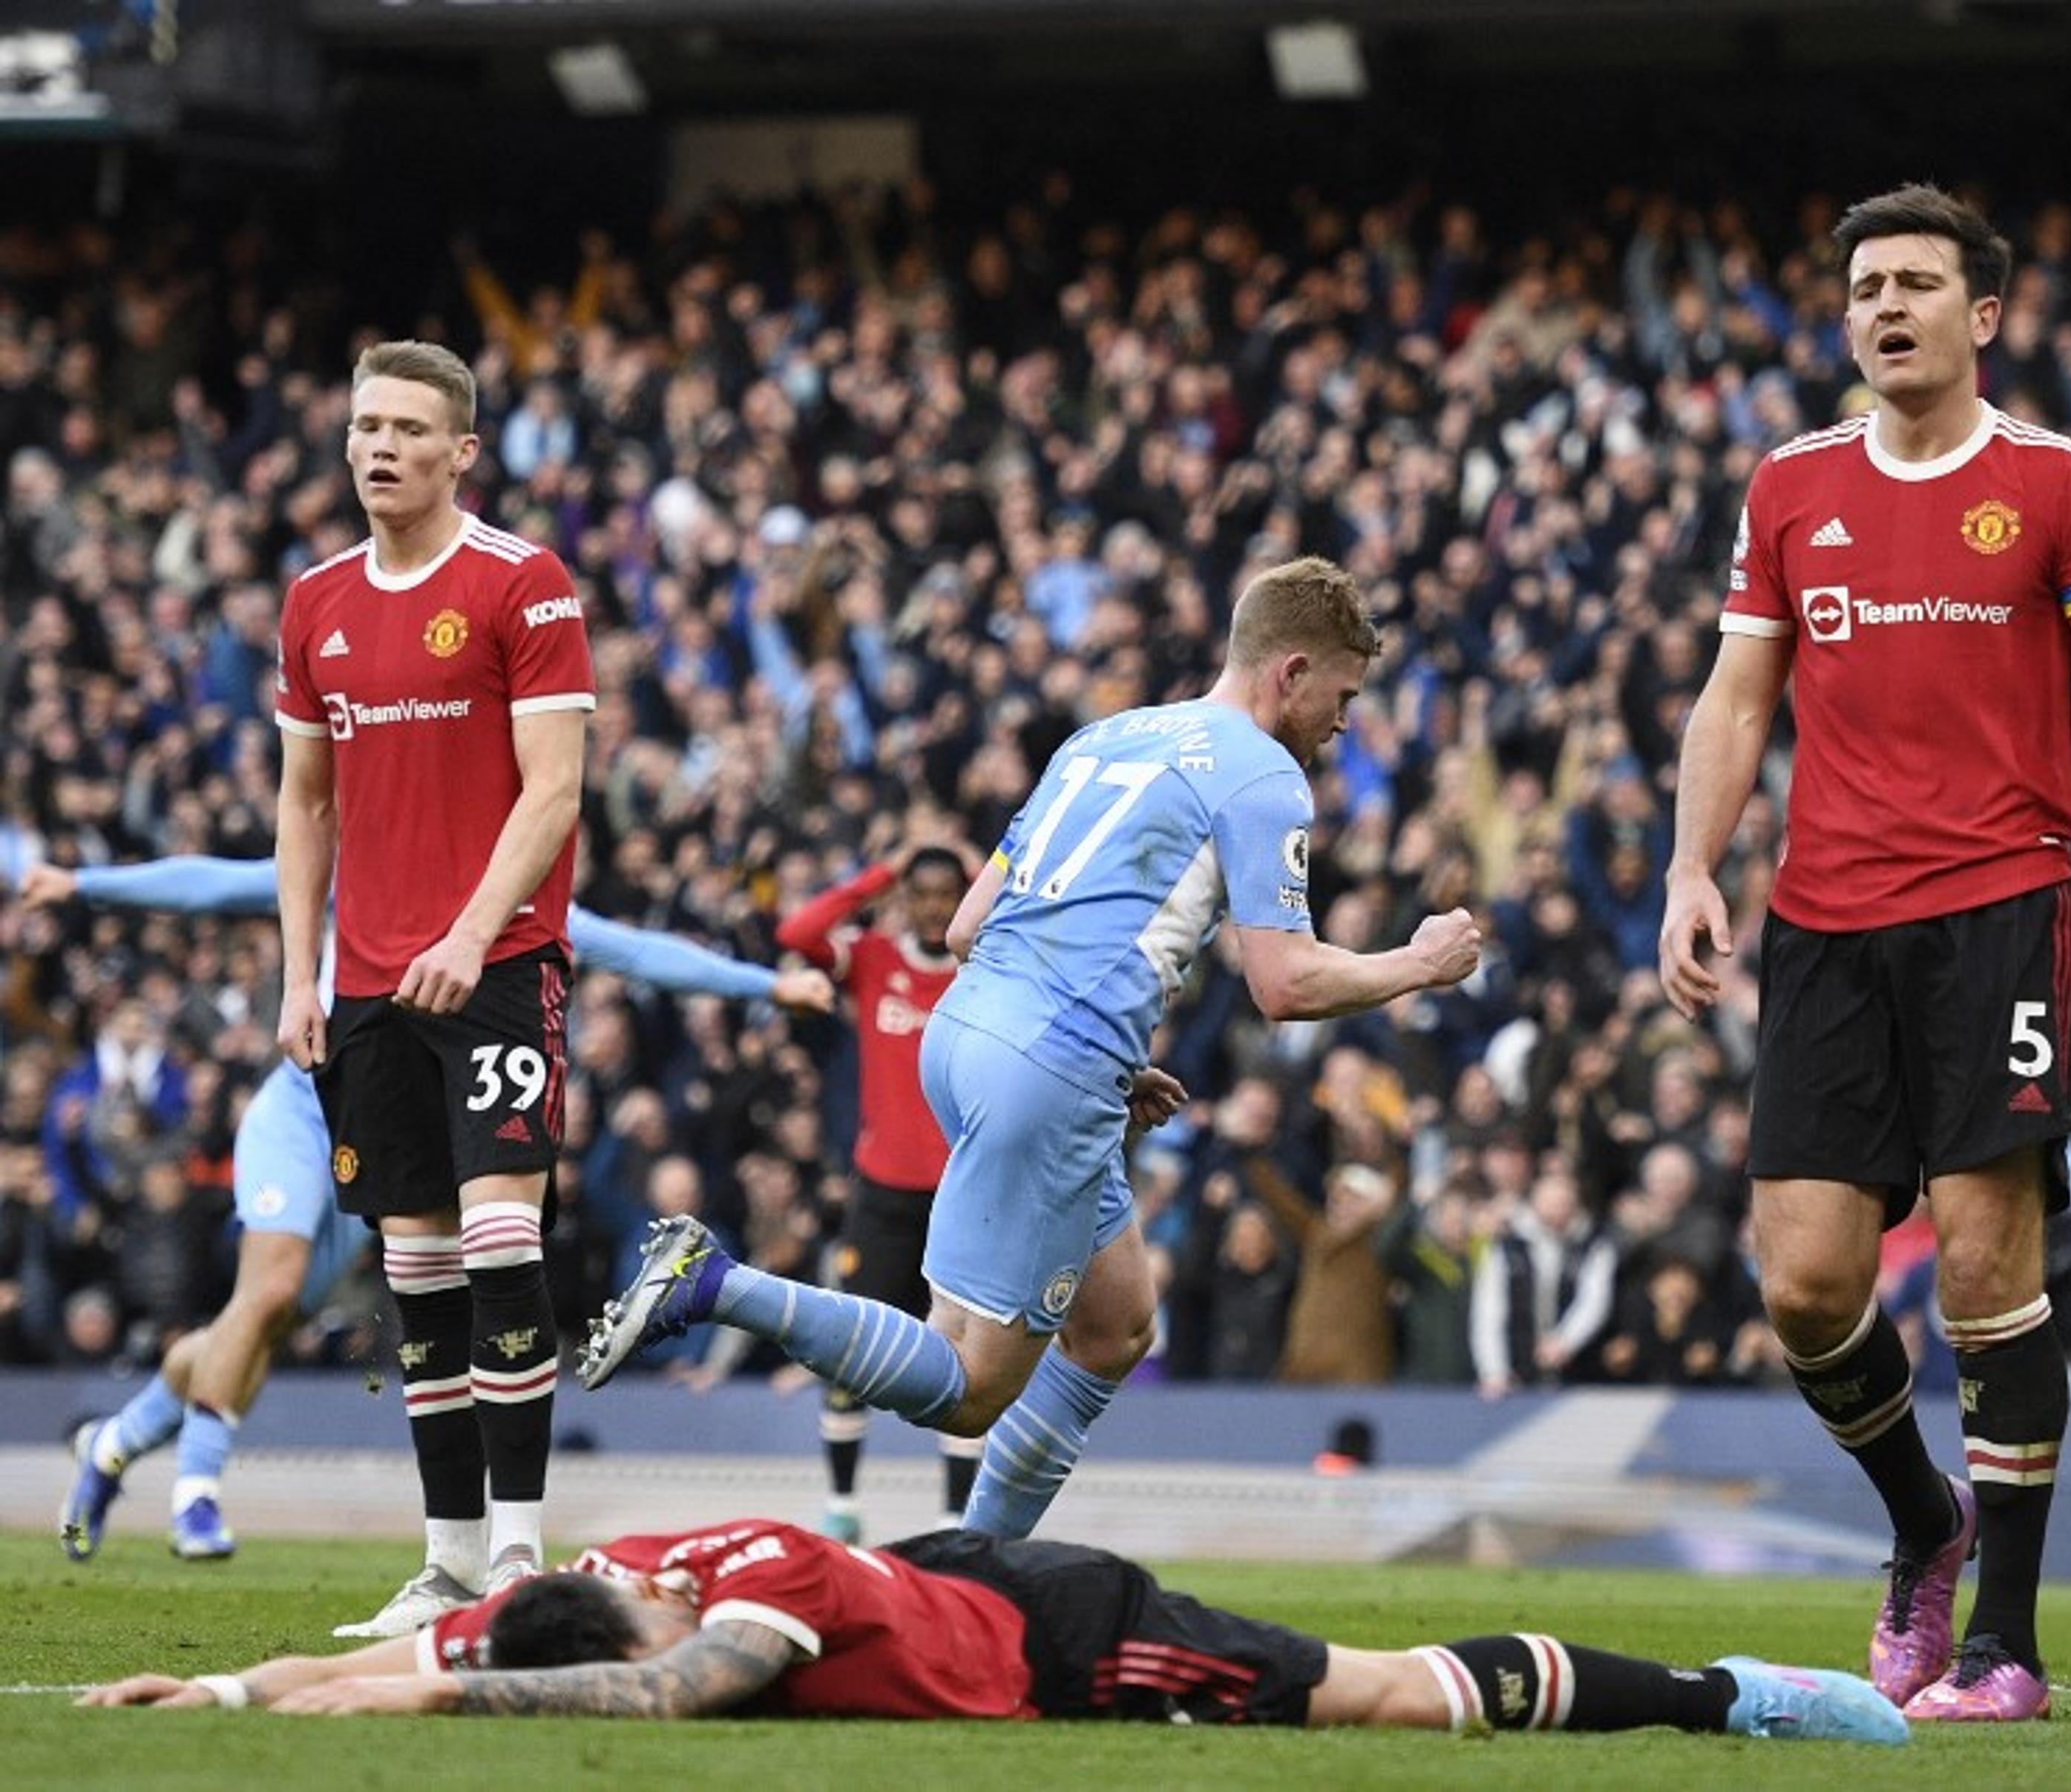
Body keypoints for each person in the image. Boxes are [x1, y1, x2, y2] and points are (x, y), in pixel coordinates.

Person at [580, 557, 1483, 1545]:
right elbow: (1284, 982)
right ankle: (716, 1283)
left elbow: (968, 923)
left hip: (971, 1030)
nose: (1344, 720)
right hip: (1048, 1060)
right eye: (1343, 695)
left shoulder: (1105, 735)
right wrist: (1417, 961)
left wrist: (1099, 1055)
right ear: (1292, 669)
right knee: (967, 1387)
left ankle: (979, 1578)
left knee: (1117, 1325)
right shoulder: (1265, 774)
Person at [1658, 183, 2071, 1723]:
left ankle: (2008, 1644)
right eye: (1863, 287)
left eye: (1916, 282)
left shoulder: (2061, 483)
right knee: (1806, 1281)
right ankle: (1925, 1520)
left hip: (1999, 910)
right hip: (1824, 922)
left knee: (1983, 1263)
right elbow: (1733, 699)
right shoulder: (1788, 485)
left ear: (1983, 316)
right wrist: (1693, 868)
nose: (1885, 306)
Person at [33, 854, 831, 1577]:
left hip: (387, 1129)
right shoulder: (366, 861)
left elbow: (638, 951)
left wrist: (767, 987)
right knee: (269, 1291)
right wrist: (85, 884)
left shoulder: (511, 898)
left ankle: (115, 1443)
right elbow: (214, 881)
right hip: (303, 1109)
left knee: (258, 1325)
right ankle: (197, 1492)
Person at [78, 1514, 1908, 1747]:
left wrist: (427, 1713)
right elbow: (411, 1658)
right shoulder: (598, 1568)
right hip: (939, 1572)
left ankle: (1730, 1698)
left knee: (1375, 1701)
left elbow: (673, 1692)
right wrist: (236, 1686)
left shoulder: (748, 1590)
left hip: (1057, 1635)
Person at [272, 341, 599, 1632]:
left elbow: (556, 788)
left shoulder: (527, 583)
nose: (379, 447)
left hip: (500, 966)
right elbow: (305, 804)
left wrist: (471, 932)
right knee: (415, 1270)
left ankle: (522, 1553)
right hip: (364, 986)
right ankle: (451, 1559)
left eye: (409, 427)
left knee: (502, 1240)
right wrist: (299, 972)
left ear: (463, 451)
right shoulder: (314, 604)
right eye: (364, 426)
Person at [772, 843, 976, 1541]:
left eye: (948, 893)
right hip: (882, 1194)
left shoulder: (983, 966)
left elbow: (1030, 922)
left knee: (964, 1360)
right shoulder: (875, 961)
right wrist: (880, 871)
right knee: (852, 1351)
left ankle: (956, 1520)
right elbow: (795, 935)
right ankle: (843, 1506)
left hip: (961, 1197)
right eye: (919, 893)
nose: (932, 907)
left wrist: (985, 879)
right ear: (902, 899)